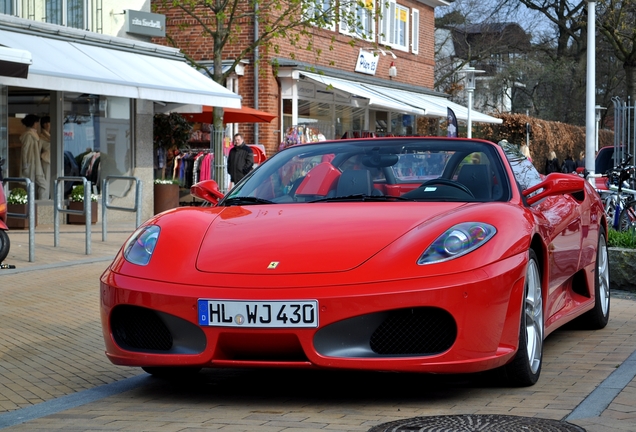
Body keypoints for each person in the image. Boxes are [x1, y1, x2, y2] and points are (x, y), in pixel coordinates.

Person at [19, 114, 47, 200]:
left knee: (35, 186)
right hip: (31, 164)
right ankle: (40, 205)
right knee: (42, 185)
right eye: (36, 122)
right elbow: (25, 150)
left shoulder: (33, 134)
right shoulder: (28, 135)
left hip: (35, 164)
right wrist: (25, 164)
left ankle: (37, 205)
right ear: (33, 123)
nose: (38, 124)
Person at [39, 116, 51, 199]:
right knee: (45, 181)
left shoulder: (51, 135)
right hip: (46, 160)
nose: (47, 125)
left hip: (52, 160)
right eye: (45, 123)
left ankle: (50, 197)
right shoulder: (41, 136)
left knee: (51, 181)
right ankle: (44, 199)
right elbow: (38, 150)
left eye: (48, 122)